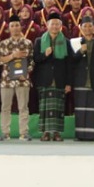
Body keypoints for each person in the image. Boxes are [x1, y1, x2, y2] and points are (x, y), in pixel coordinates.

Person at [33, 12, 73, 141]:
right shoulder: (39, 41)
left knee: (58, 108)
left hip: (60, 79)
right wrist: (45, 54)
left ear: (61, 26)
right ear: (47, 25)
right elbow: (35, 59)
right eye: (52, 24)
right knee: (44, 107)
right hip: (44, 78)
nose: (55, 26)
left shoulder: (66, 42)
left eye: (57, 24)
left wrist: (68, 83)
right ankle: (45, 133)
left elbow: (69, 64)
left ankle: (56, 133)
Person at [0, 15, 34, 141]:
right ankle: (5, 132)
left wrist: (26, 72)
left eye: (17, 25)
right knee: (5, 107)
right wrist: (13, 56)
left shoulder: (28, 43)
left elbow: (31, 61)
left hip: (23, 80)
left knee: (23, 107)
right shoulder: (3, 43)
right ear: (9, 28)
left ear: (21, 27)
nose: (15, 28)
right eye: (12, 26)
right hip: (7, 80)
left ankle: (24, 132)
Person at [70, 15, 94, 141]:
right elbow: (71, 61)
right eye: (85, 26)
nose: (87, 28)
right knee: (80, 109)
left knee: (93, 109)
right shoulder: (75, 43)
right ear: (81, 28)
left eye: (90, 26)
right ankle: (80, 135)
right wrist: (81, 51)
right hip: (80, 80)